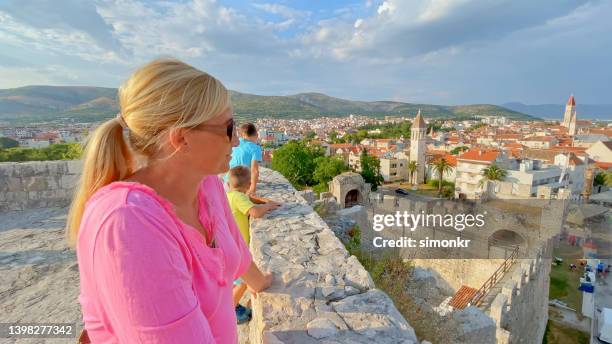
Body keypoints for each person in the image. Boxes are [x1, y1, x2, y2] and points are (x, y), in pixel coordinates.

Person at [68, 58, 272, 343]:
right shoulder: (129, 224)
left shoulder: (207, 185)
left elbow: (234, 253)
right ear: (181, 138)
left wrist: (263, 283)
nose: (236, 141)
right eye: (228, 128)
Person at [226, 166, 280, 323]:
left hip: (229, 245)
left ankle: (233, 307)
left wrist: (262, 200)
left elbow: (248, 201)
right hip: (238, 248)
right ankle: (230, 310)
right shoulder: (238, 197)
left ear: (229, 184)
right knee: (242, 281)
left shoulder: (229, 196)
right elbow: (255, 212)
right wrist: (268, 206)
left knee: (235, 281)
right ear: (249, 184)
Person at [226, 123, 262, 195]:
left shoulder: (236, 142)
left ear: (242, 134)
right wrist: (253, 188)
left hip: (228, 180)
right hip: (240, 183)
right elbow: (254, 170)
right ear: (257, 135)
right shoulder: (255, 148)